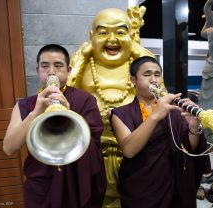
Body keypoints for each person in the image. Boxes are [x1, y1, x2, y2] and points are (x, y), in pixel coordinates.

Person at [67, 7, 155, 207]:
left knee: (135, 197)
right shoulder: (82, 62)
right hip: (94, 147)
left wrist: (136, 50)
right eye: (103, 32)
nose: (112, 39)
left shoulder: (139, 62)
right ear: (92, 36)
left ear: (131, 36)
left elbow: (158, 94)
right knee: (98, 198)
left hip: (134, 146)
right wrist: (83, 56)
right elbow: (66, 97)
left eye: (121, 32)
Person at [3, 44, 107, 207]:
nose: (51, 72)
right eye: (45, 66)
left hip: (77, 182)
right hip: (42, 185)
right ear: (37, 70)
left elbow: (93, 147)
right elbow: (8, 148)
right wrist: (35, 113)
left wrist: (69, 113)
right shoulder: (24, 105)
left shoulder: (85, 100)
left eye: (58, 66)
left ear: (69, 70)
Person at [110, 56, 206, 208]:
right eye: (147, 75)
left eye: (157, 74)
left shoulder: (174, 111)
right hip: (141, 189)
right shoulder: (121, 113)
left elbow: (189, 148)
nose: (153, 80)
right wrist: (155, 115)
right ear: (133, 80)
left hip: (175, 187)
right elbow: (128, 150)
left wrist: (194, 126)